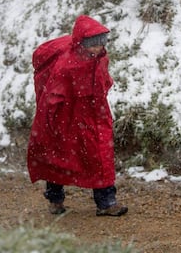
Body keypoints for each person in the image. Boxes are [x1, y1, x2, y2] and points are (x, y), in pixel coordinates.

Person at [27, 15, 128, 217]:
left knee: (101, 156)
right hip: (68, 117)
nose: (98, 47)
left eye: (102, 41)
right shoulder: (67, 66)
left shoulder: (100, 58)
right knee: (58, 156)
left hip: (94, 115)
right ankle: (55, 200)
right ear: (81, 42)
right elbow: (53, 96)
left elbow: (103, 82)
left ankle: (106, 202)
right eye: (92, 43)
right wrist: (52, 124)